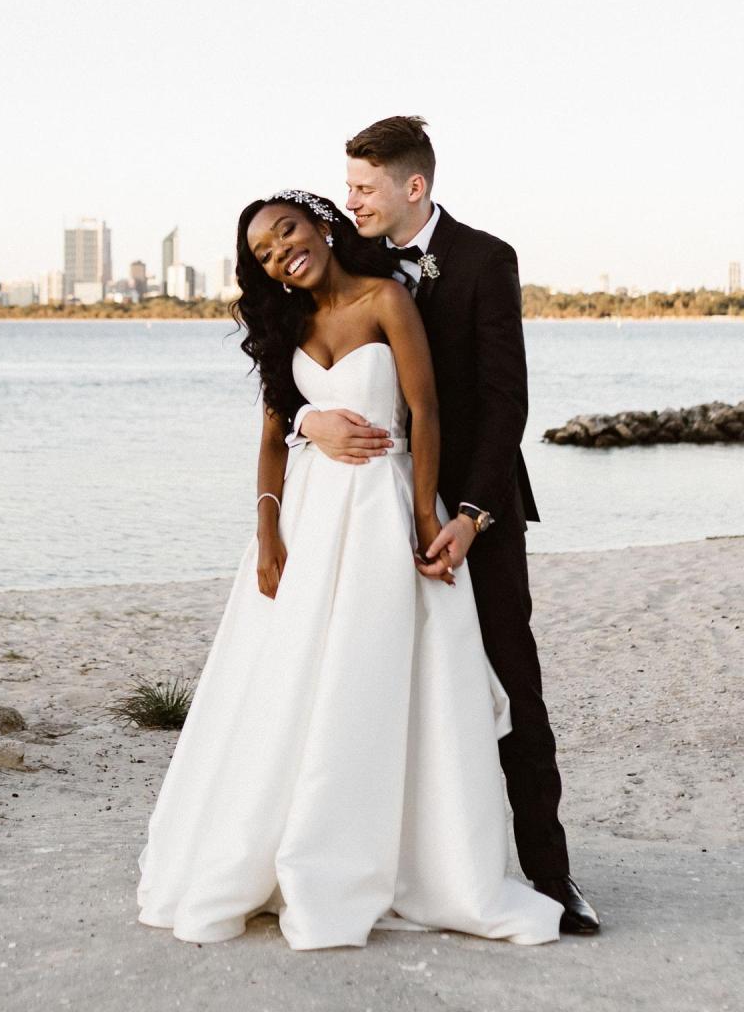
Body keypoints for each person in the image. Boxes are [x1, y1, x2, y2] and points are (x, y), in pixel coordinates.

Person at [136, 189, 562, 950]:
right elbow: (272, 437)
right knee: (289, 683)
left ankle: (401, 856)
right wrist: (267, 532)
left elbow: (425, 411)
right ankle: (285, 845)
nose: (280, 254)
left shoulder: (387, 299)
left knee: (380, 677)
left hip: (383, 509)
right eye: (263, 253)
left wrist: (427, 516)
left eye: (287, 233)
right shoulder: (285, 324)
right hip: (306, 522)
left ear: (322, 224)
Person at [291, 118, 601, 935]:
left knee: (510, 684)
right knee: (369, 685)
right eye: (349, 186)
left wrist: (469, 514)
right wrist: (308, 424)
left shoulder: (484, 260)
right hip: (370, 514)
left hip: (476, 512)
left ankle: (551, 874)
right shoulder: (348, 258)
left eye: (363, 188)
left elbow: (507, 402)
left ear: (413, 187)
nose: (349, 201)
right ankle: (395, 866)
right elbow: (297, 361)